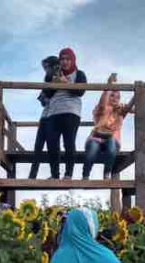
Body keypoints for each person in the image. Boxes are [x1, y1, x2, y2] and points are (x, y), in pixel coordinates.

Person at [45, 48, 88, 180]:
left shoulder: (79, 74)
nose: (65, 62)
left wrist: (66, 83)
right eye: (62, 59)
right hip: (53, 112)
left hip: (71, 111)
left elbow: (80, 92)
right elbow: (46, 94)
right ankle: (54, 175)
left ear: (72, 60)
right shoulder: (52, 74)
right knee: (52, 143)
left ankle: (68, 174)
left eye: (67, 59)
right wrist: (53, 83)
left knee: (68, 143)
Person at [82, 74, 135, 180]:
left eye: (117, 97)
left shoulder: (120, 111)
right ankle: (86, 175)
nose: (114, 99)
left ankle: (107, 173)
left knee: (111, 148)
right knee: (92, 150)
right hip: (96, 137)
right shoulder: (101, 108)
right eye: (112, 96)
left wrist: (127, 107)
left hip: (112, 139)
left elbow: (135, 110)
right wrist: (109, 86)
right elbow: (102, 103)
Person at [29, 56, 60, 179]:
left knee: (53, 146)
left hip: (55, 116)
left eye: (46, 67)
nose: (45, 70)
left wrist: (46, 95)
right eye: (44, 68)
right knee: (38, 147)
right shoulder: (47, 79)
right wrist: (44, 96)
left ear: (54, 66)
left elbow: (48, 94)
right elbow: (43, 99)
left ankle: (55, 175)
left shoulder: (60, 77)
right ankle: (32, 175)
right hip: (45, 116)